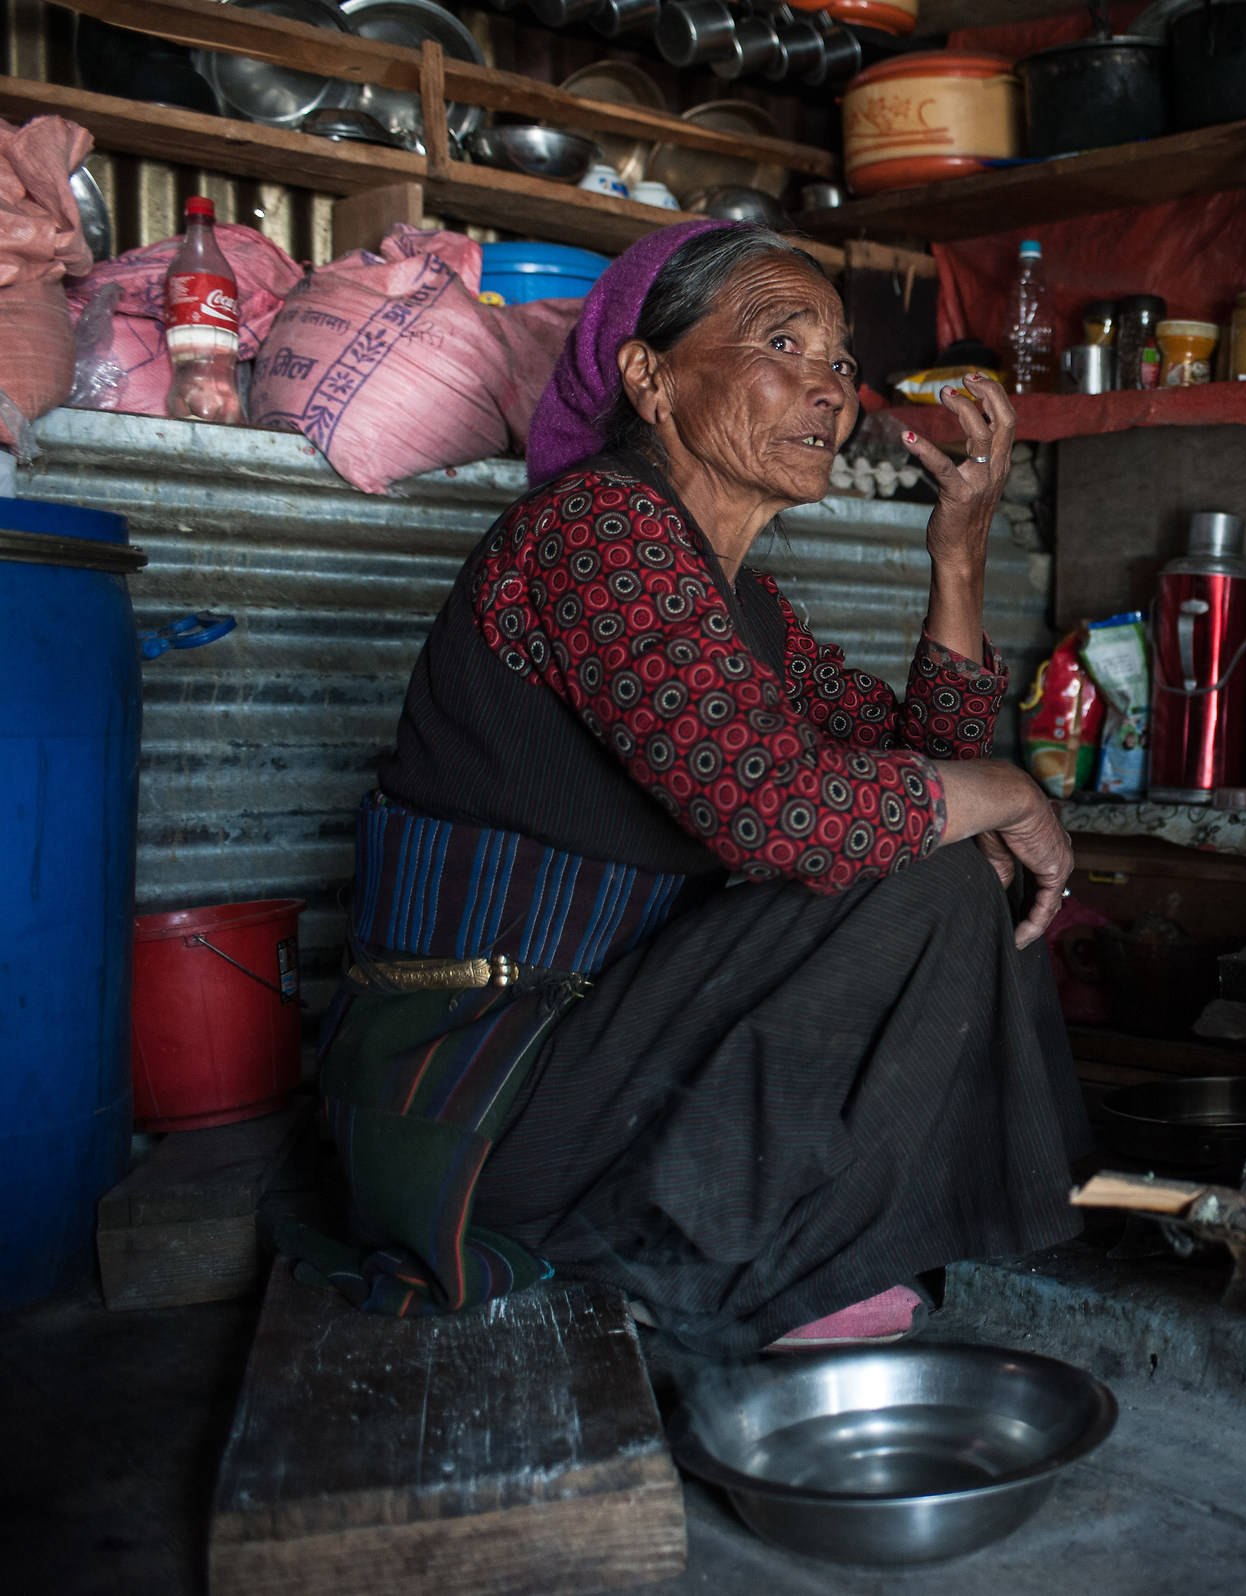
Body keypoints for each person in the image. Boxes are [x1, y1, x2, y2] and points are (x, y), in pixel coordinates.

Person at [278, 219, 1089, 1354]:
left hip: (587, 1068)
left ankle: (827, 1238)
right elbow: (781, 811)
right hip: (477, 1098)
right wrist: (1005, 789)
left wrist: (957, 557)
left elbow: (917, 758)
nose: (831, 389)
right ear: (649, 378)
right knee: (940, 870)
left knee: (956, 855)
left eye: (842, 362)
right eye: (785, 343)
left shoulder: (741, 604)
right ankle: (758, 1259)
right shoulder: (597, 532)